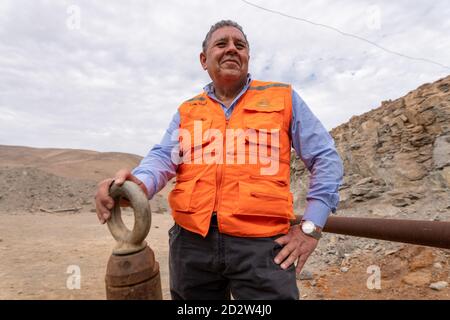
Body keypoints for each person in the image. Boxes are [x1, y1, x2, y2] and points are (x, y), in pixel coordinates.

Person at [95, 20, 343, 300]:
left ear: (248, 57)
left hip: (263, 246)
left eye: (240, 45)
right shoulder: (188, 111)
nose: (232, 50)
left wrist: (310, 228)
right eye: (222, 44)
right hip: (191, 244)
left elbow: (326, 157)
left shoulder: (283, 98)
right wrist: (134, 186)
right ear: (204, 60)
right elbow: (163, 159)